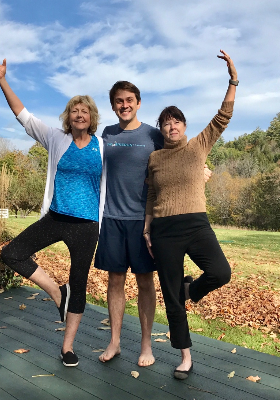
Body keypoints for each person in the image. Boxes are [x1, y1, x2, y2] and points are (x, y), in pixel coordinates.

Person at [0, 53, 107, 367]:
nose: (79, 114)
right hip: (55, 218)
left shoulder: (103, 145)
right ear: (67, 117)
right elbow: (23, 115)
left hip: (86, 225)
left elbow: (138, 162)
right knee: (12, 253)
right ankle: (57, 293)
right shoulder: (56, 138)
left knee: (79, 283)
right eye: (74, 110)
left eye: (85, 111)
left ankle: (67, 347)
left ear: (92, 117)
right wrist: (1, 78)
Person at [95, 81, 212, 367]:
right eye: (119, 101)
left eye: (130, 100)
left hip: (145, 221)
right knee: (115, 281)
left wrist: (202, 171)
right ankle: (115, 342)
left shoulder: (152, 134)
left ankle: (146, 346)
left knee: (146, 282)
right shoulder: (106, 134)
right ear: (113, 105)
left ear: (138, 103)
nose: (125, 105)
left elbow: (180, 154)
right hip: (112, 217)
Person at [143, 50, 237, 379]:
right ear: (162, 129)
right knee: (170, 296)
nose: (171, 126)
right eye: (166, 123)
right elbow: (152, 195)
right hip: (164, 230)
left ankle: (191, 291)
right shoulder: (155, 158)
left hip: (197, 225)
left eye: (176, 121)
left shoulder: (199, 145)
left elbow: (223, 116)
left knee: (220, 272)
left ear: (184, 125)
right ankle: (185, 357)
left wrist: (233, 80)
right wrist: (147, 231)